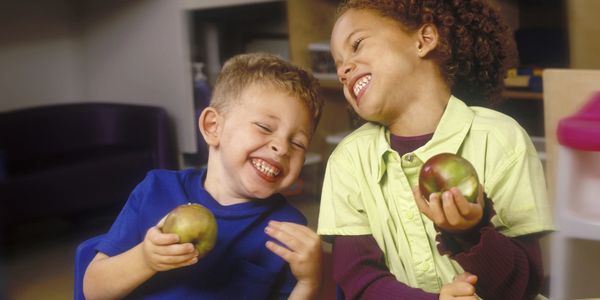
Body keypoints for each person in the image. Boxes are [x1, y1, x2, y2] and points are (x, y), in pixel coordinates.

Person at [317, 1, 554, 299]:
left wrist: (471, 232)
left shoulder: (501, 139)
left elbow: (523, 286)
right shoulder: (347, 161)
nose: (343, 70)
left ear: (424, 39)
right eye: (338, 63)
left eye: (357, 44)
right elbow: (360, 280)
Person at [84, 53, 325, 300]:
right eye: (265, 127)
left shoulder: (287, 229)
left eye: (298, 143)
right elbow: (93, 290)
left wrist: (309, 282)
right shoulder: (156, 190)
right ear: (213, 127)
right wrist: (146, 258)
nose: (282, 148)